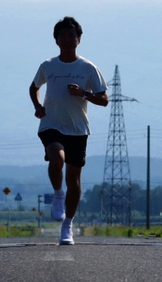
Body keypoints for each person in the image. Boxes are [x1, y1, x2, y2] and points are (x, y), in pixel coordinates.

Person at [29, 16, 109, 245]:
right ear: (56, 40)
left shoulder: (88, 67)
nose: (67, 39)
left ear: (79, 40)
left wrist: (83, 93)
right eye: (62, 35)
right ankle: (57, 194)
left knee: (74, 178)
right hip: (51, 123)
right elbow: (33, 87)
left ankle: (68, 226)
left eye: (71, 35)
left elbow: (104, 99)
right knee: (56, 158)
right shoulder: (48, 66)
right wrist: (37, 106)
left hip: (78, 128)